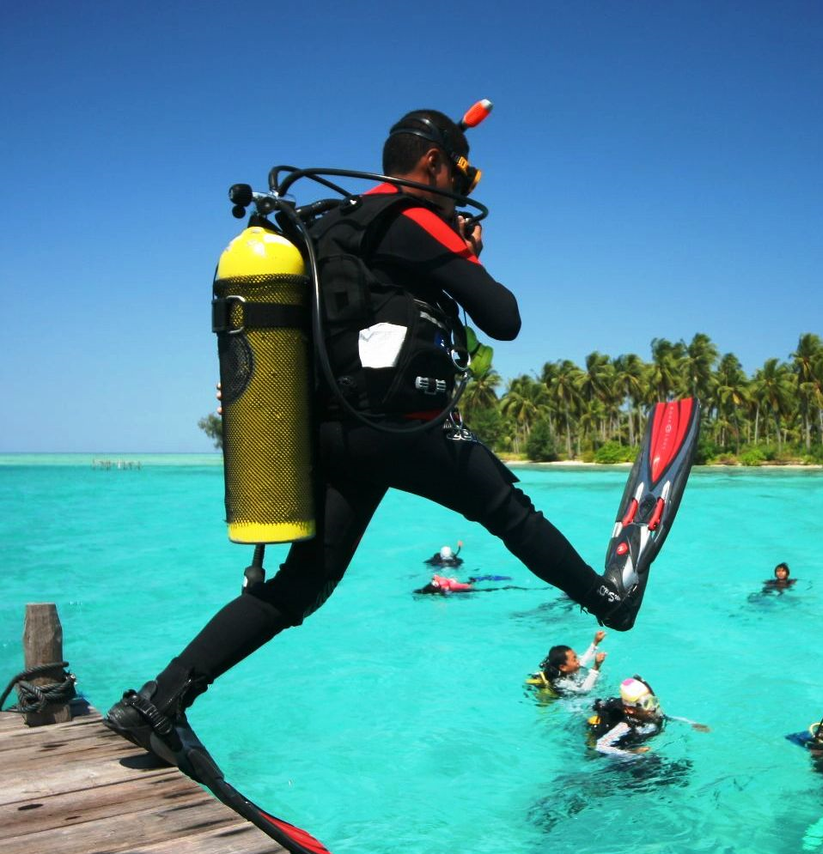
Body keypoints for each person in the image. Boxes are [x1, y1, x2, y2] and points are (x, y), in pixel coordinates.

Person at [108, 107, 648, 758]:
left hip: (330, 432)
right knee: (509, 510)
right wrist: (465, 255)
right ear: (432, 163)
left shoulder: (321, 226)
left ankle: (158, 703)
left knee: (301, 585)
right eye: (460, 175)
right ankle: (608, 602)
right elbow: (503, 318)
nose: (460, 191)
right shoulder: (412, 221)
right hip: (400, 428)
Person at [586, 676, 709, 758]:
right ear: (630, 709)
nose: (653, 707)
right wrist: (630, 753)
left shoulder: (650, 711)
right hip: (622, 750)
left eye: (652, 700)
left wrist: (691, 723)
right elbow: (601, 746)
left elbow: (666, 717)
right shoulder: (624, 726)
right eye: (646, 703)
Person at [526, 631, 607, 697]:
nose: (578, 660)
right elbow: (584, 691)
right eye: (574, 659)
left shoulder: (568, 668)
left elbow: (582, 662)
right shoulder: (561, 683)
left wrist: (595, 643)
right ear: (563, 667)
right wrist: (596, 667)